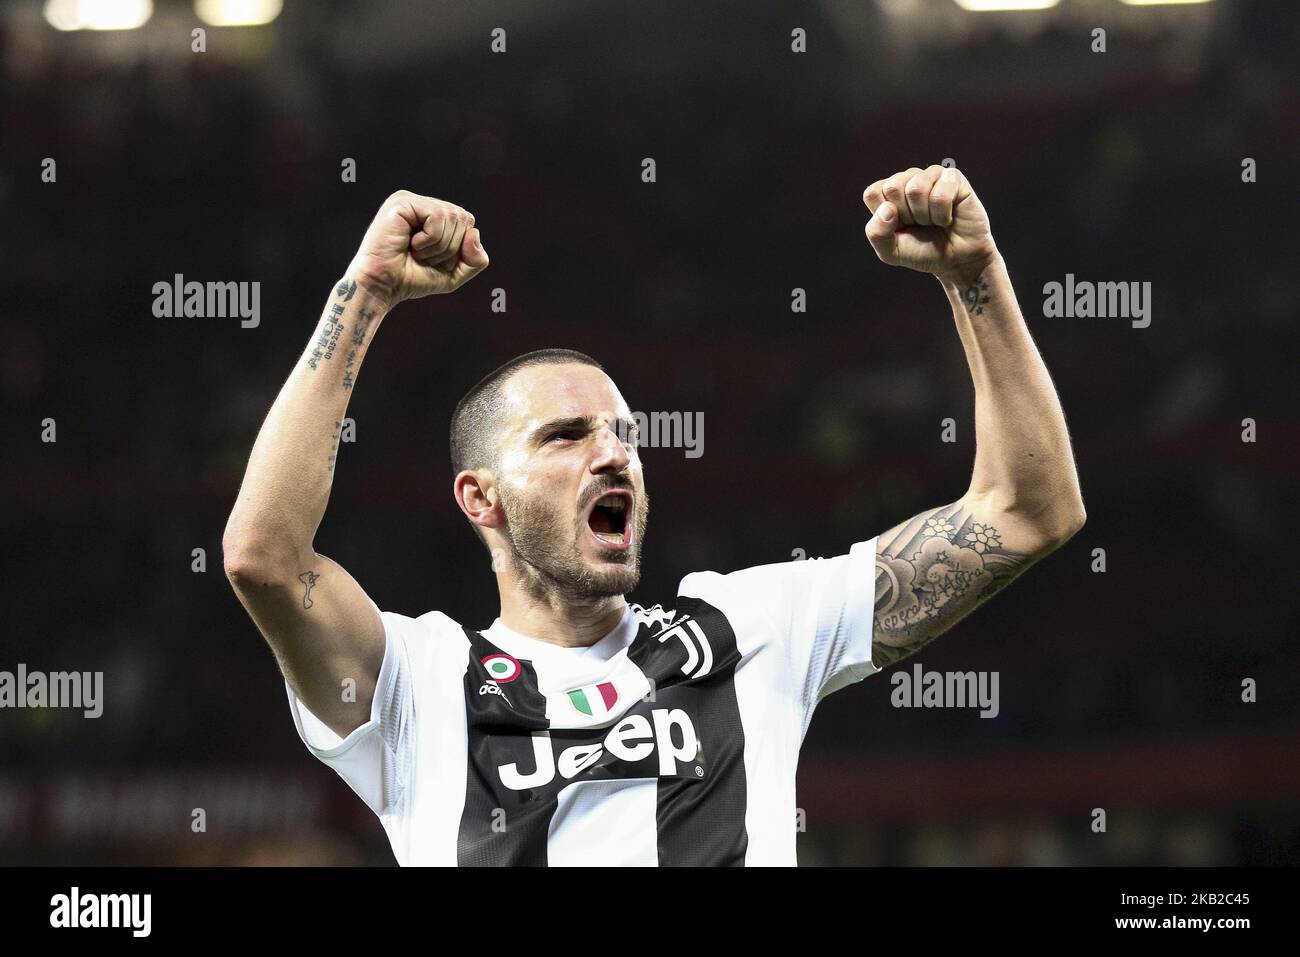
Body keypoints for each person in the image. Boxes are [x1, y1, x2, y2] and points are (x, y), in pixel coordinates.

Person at [222, 167, 1085, 865]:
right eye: (566, 436)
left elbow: (1026, 509)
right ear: (479, 497)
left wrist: (977, 279)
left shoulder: (747, 626)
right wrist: (364, 295)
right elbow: (263, 554)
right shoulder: (420, 683)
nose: (614, 454)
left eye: (626, 436)